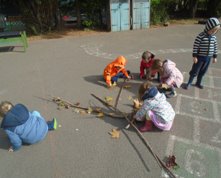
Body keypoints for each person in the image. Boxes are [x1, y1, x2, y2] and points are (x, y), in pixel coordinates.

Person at [184, 17, 220, 89]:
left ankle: (198, 83)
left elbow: (215, 47)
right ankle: (189, 83)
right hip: (200, 57)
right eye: (212, 30)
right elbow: (196, 46)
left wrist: (215, 56)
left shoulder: (214, 38)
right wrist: (194, 56)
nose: (213, 32)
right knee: (195, 70)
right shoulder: (200, 36)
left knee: (203, 71)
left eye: (215, 31)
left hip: (208, 58)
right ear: (208, 28)